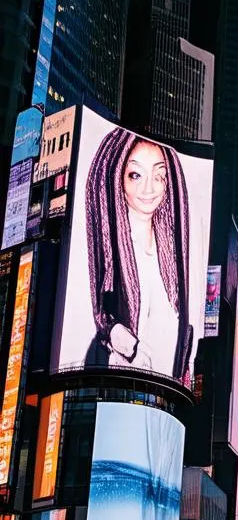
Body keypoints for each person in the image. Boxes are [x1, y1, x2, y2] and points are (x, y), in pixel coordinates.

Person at [84, 126, 193, 382]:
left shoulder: (172, 250)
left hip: (164, 396)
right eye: (135, 174)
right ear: (117, 178)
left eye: (159, 176)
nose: (149, 188)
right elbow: (104, 319)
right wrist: (130, 347)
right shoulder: (111, 246)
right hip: (119, 386)